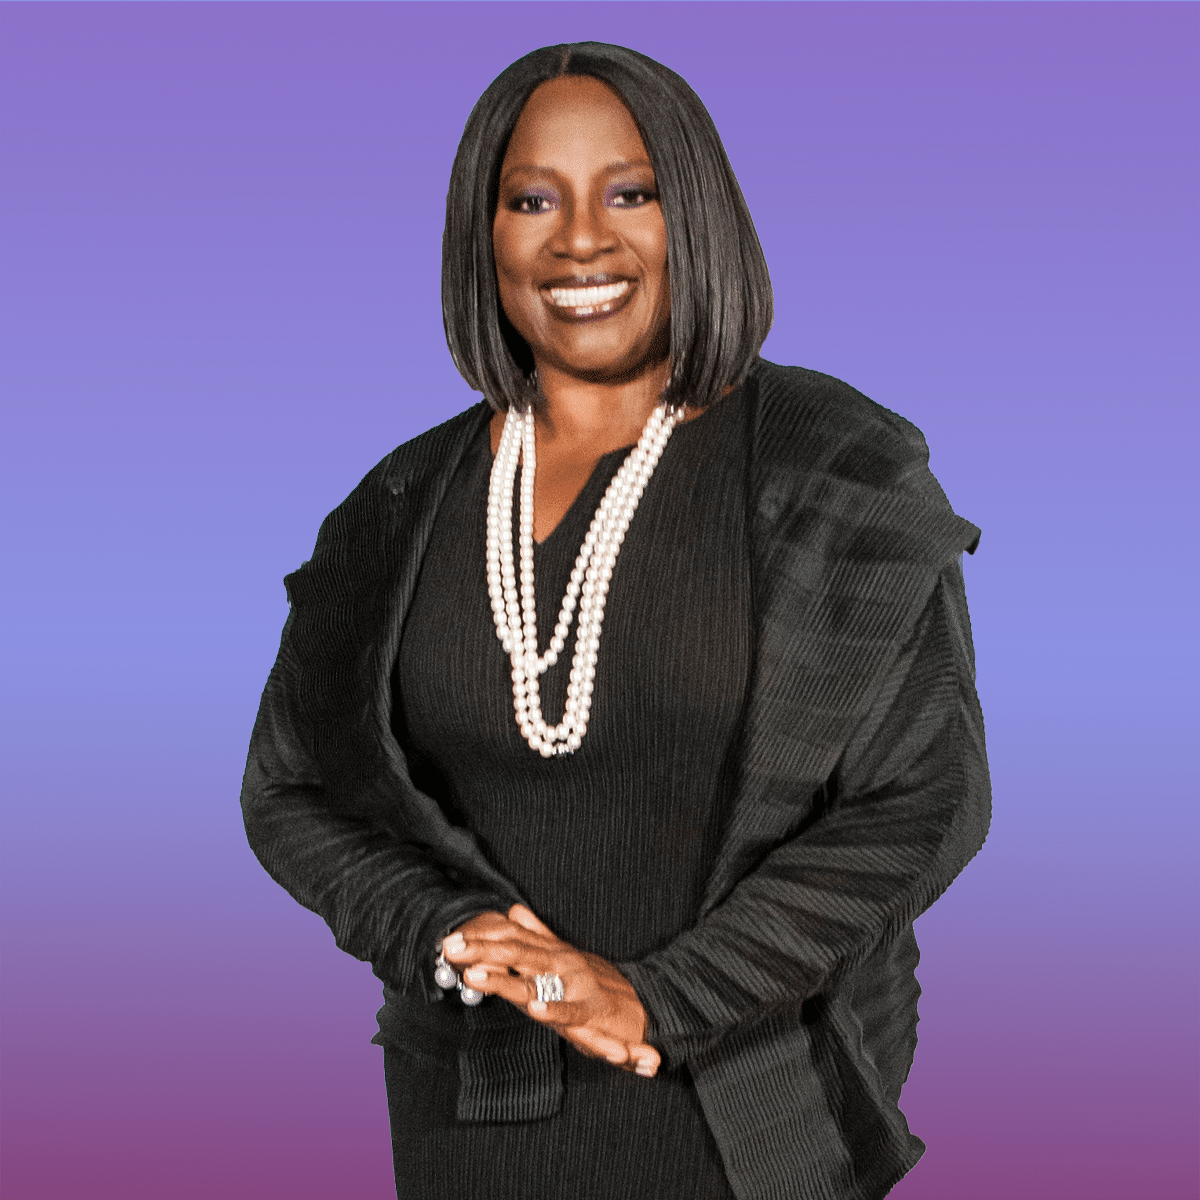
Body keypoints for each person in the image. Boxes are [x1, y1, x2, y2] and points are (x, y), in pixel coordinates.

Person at [241, 41, 990, 1200]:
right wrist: (449, 931)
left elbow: (924, 802)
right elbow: (291, 788)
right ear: (483, 236)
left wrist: (653, 996)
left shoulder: (836, 470)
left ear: (696, 214)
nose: (580, 239)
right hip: (472, 1123)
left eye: (629, 193)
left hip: (756, 1118)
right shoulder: (397, 506)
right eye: (532, 200)